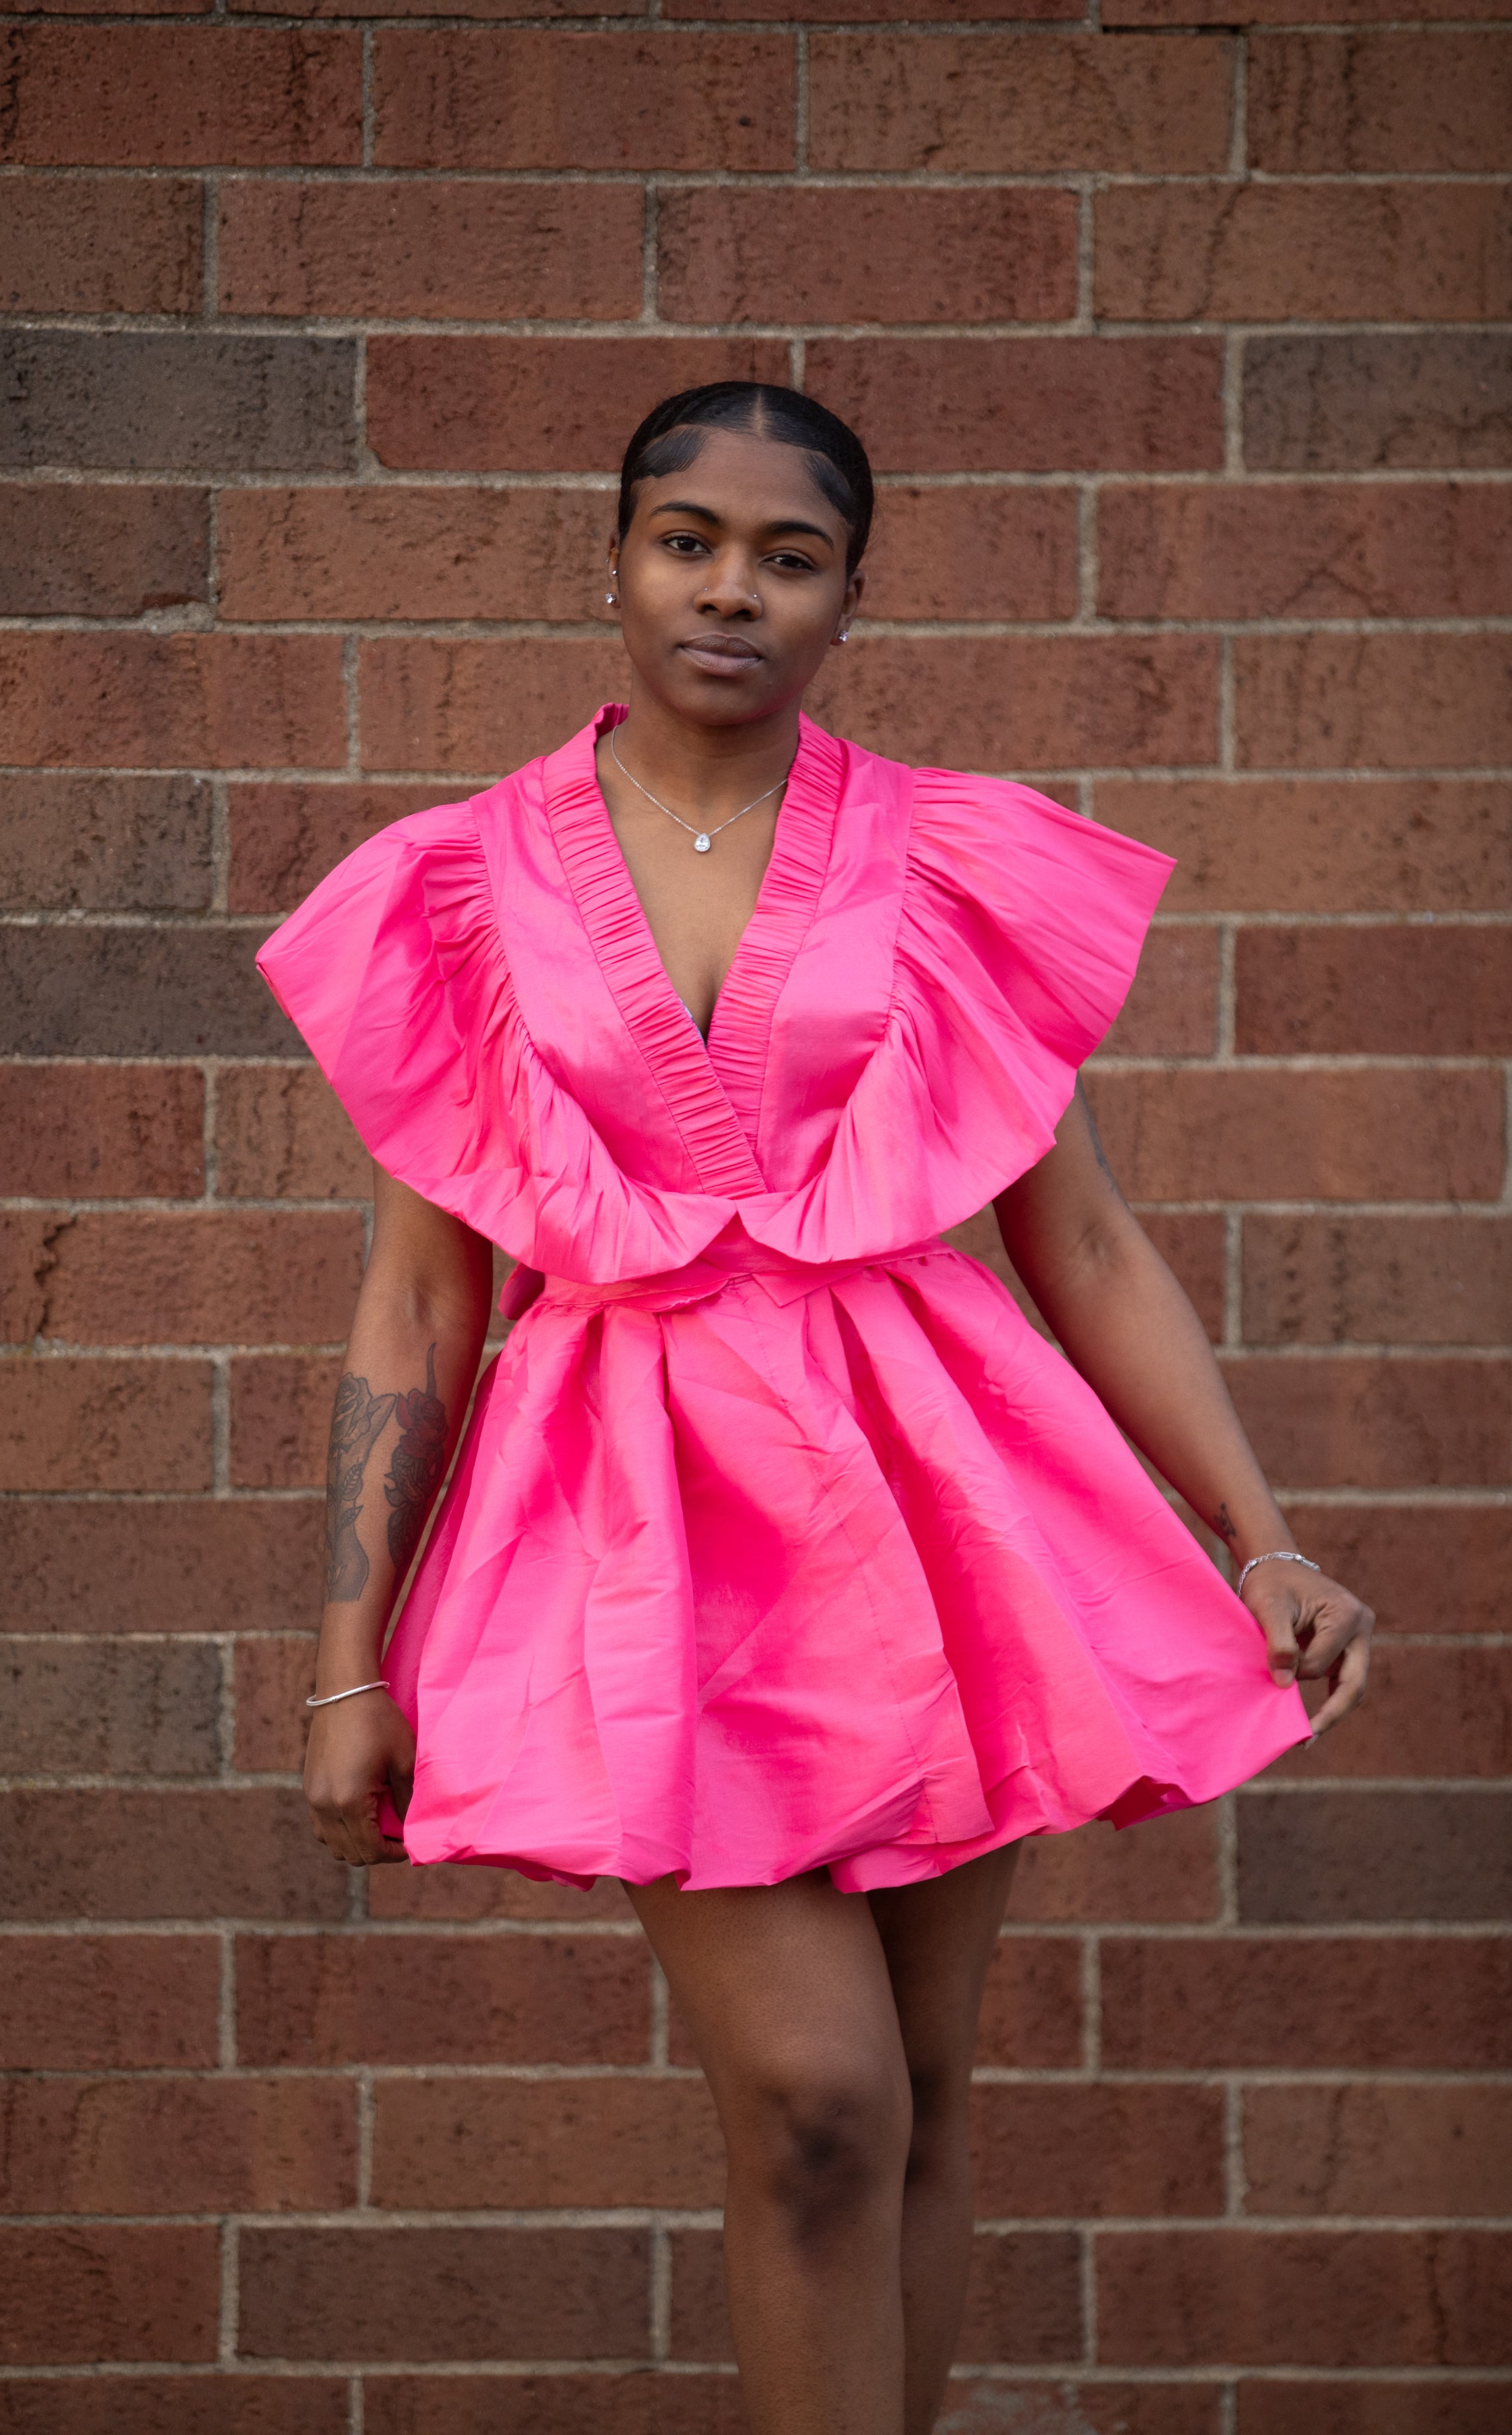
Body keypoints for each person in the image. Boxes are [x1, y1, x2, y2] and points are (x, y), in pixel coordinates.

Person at [256, 381, 1374, 2435]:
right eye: (687, 539)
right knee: (816, 2096)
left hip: (938, 1500)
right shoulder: (459, 885)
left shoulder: (945, 857)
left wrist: (1260, 1529)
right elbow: (423, 1295)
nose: (731, 589)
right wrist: (351, 1655)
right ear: (614, 561)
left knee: (921, 2102)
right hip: (638, 1519)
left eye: (790, 556)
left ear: (851, 597)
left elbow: (1090, 1243)